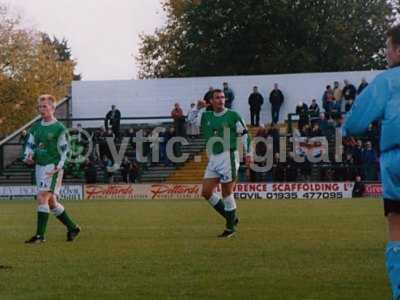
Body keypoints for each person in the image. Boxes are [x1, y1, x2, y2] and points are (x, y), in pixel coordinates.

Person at [342, 24, 400, 300]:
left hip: (397, 159)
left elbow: (354, 123)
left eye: (388, 48)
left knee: (397, 226)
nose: (386, 53)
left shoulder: (388, 80)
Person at [23, 94, 80, 244]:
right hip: (39, 166)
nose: (42, 110)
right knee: (51, 202)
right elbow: (30, 144)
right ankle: (73, 228)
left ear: (53, 108)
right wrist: (28, 156)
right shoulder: (36, 127)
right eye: (40, 107)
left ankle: (40, 236)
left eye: (45, 107)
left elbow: (65, 150)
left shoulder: (59, 128)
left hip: (52, 167)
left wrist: (59, 167)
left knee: (42, 197)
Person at [195, 89, 252, 238]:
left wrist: (249, 153)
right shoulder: (206, 115)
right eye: (217, 98)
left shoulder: (233, 115)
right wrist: (197, 108)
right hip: (213, 158)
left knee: (227, 193)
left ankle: (230, 228)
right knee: (206, 192)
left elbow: (245, 134)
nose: (221, 100)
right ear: (211, 101)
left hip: (229, 157)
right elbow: (191, 121)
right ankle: (231, 217)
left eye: (222, 97)